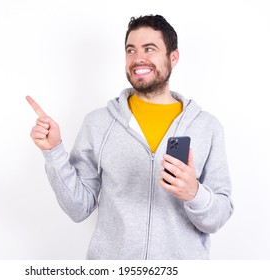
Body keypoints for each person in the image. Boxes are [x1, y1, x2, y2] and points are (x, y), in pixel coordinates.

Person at [26, 14, 234, 259]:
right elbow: (79, 208)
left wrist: (194, 193)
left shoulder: (207, 127)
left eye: (150, 48)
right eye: (131, 50)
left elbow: (218, 217)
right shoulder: (99, 123)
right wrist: (54, 152)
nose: (138, 59)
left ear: (173, 57)